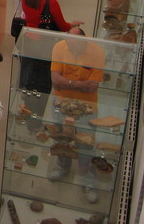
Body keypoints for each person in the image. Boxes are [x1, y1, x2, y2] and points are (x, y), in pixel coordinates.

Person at [48, 28, 105, 203]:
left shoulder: (97, 52)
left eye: (75, 48)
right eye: (69, 46)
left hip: (87, 106)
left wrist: (67, 84)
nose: (72, 50)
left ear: (84, 41)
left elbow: (93, 86)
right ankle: (62, 167)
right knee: (61, 139)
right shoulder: (59, 47)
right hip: (61, 102)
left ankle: (88, 181)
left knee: (86, 144)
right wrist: (79, 84)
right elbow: (55, 80)